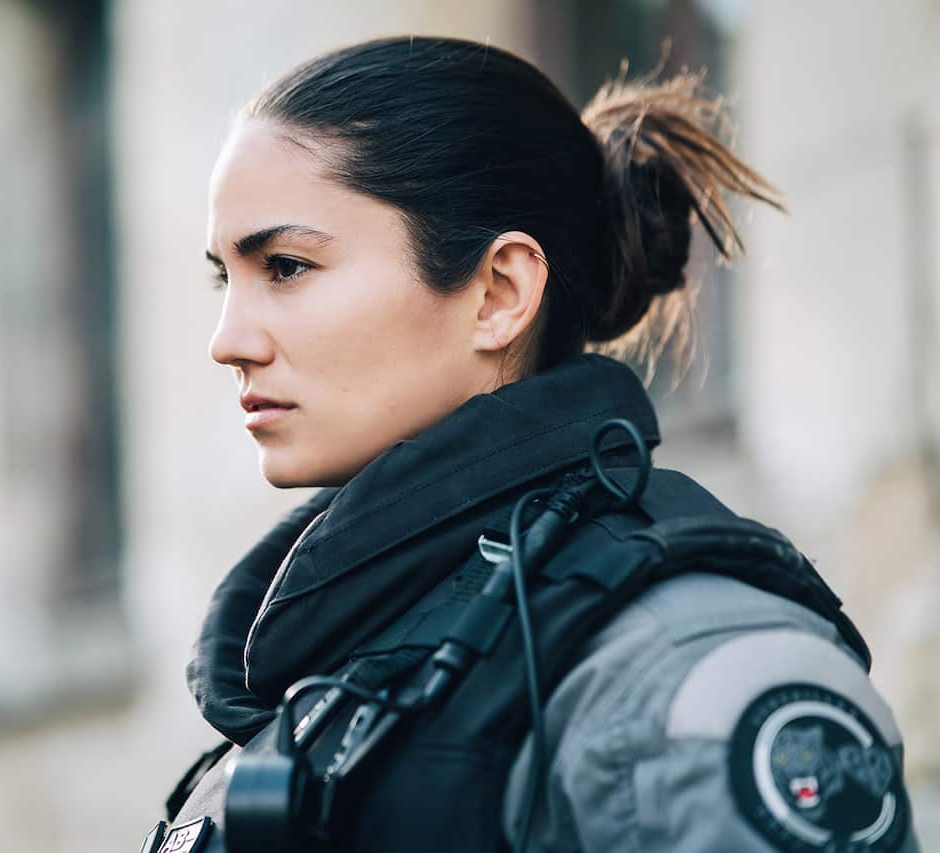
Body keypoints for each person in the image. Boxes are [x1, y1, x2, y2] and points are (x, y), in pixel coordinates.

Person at [143, 36, 919, 852]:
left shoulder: (689, 672)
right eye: (224, 277)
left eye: (288, 266)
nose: (227, 340)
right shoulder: (347, 656)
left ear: (499, 293)